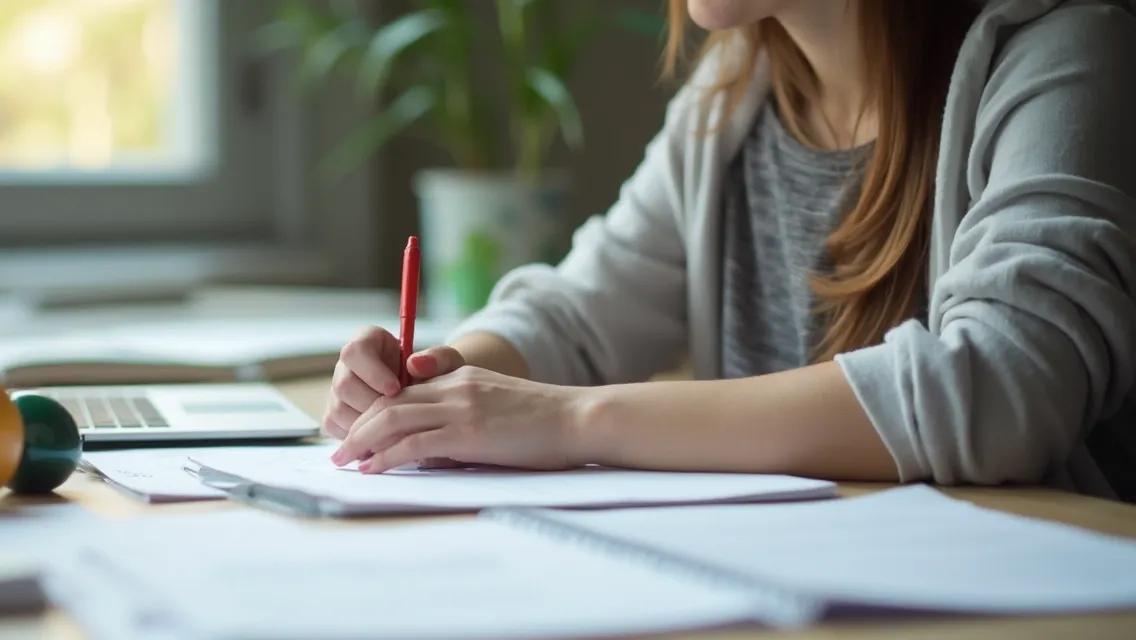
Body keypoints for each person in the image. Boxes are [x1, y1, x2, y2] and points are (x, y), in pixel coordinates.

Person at [325, 0, 1136, 500]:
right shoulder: (729, 101)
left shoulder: (1065, 54)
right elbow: (577, 317)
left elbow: (1001, 387)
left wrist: (573, 419)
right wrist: (435, 382)